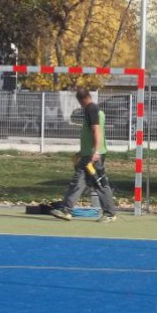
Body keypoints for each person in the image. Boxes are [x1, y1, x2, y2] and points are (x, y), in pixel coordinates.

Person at [50, 88, 118, 222]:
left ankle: (110, 213)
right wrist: (82, 152)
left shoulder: (91, 109)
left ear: (81, 99)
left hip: (93, 156)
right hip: (87, 154)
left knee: (99, 183)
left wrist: (95, 151)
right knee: (78, 182)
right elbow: (90, 133)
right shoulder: (94, 109)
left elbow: (96, 131)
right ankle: (66, 210)